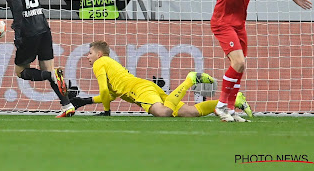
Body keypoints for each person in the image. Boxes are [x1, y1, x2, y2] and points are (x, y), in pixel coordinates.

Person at [211, 0, 312, 122]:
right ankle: (221, 106)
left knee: (241, 66)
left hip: (239, 24)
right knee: (238, 62)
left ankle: (231, 110)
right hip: (222, 22)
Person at [70, 41, 252, 119]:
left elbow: (104, 91)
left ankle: (189, 80)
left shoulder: (99, 63)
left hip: (139, 90)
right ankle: (234, 100)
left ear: (99, 54)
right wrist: (84, 101)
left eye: (90, 53)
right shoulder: (109, 63)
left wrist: (106, 112)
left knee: (163, 113)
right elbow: (109, 94)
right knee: (190, 112)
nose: (87, 56)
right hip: (144, 86)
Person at [0, 0, 75, 118]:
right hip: (43, 25)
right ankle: (67, 105)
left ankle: (53, 76)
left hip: (29, 30)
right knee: (48, 66)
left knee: (20, 71)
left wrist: (17, 33)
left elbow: (17, 8)